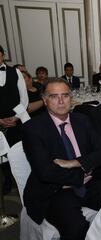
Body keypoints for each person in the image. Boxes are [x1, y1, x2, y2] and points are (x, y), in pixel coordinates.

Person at [22, 78, 101, 239]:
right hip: (54, 192)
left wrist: (77, 163)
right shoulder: (33, 128)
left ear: (71, 98)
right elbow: (45, 171)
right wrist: (79, 176)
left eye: (65, 95)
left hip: (89, 183)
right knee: (77, 228)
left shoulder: (82, 120)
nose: (61, 101)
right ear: (44, 100)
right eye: (54, 96)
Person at [0, 45, 29, 194]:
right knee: (2, 154)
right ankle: (8, 181)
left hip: (15, 121)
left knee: (19, 150)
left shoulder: (15, 72)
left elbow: (24, 98)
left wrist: (16, 117)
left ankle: (24, 181)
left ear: (2, 55)